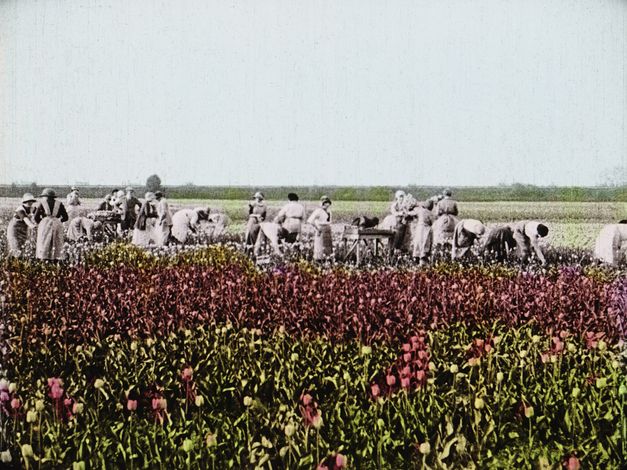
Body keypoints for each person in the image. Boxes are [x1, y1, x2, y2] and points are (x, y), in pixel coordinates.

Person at [33, 188, 68, 261]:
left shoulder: (42, 203)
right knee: (57, 241)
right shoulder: (59, 203)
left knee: (43, 241)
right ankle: (56, 258)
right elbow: (65, 217)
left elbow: (36, 217)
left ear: (45, 196)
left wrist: (42, 222)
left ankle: (43, 258)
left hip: (45, 224)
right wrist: (58, 221)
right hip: (57, 224)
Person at [7, 193, 37, 257]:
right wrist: (33, 226)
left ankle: (18, 262)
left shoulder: (32, 209)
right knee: (15, 246)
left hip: (23, 229)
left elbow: (40, 215)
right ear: (24, 202)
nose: (30, 203)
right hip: (15, 230)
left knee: (22, 247)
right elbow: (26, 220)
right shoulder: (20, 210)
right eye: (28, 201)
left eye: (31, 201)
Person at [408, 199, 434, 266]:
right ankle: (423, 258)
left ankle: (416, 257)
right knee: (425, 243)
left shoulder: (420, 210)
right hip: (426, 229)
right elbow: (432, 222)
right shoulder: (430, 213)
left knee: (418, 242)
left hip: (419, 228)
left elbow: (411, 213)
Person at [307, 196, 333, 261]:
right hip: (320, 229)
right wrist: (317, 228)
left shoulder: (329, 211)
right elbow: (310, 220)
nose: (326, 205)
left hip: (327, 229)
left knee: (328, 246)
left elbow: (329, 221)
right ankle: (319, 260)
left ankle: (328, 259)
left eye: (327, 203)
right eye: (324, 203)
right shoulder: (318, 211)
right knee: (320, 245)